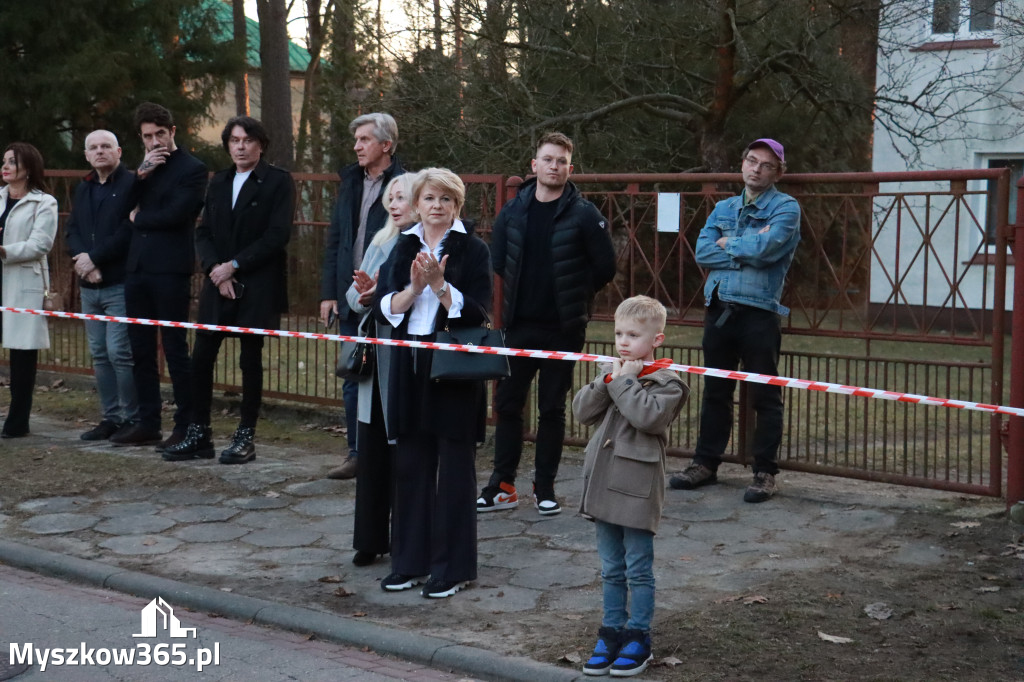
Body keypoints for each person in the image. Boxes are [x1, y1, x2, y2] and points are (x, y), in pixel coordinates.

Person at [478, 132, 616, 516]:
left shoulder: (584, 214)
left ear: (570, 169)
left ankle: (545, 486)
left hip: (563, 329)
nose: (554, 166)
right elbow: (500, 259)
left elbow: (606, 265)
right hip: (519, 326)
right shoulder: (513, 211)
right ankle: (502, 485)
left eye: (561, 161)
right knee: (507, 405)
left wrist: (576, 294)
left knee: (552, 409)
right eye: (547, 159)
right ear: (534, 165)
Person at [373, 168, 491, 599]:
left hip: (454, 366)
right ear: (417, 203)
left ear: (457, 206)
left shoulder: (473, 249)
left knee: (455, 469)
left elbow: (480, 312)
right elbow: (386, 308)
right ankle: (410, 562)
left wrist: (441, 287)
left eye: (445, 199)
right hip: (411, 360)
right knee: (410, 464)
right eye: (429, 198)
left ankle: (453, 568)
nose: (436, 206)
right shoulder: (402, 245)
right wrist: (414, 287)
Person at [668, 138, 801, 503]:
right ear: (742, 164)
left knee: (765, 394)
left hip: (759, 311)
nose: (756, 169)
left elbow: (767, 250)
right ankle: (705, 464)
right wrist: (742, 244)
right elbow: (703, 250)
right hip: (719, 308)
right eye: (751, 160)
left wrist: (729, 243)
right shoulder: (724, 207)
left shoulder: (786, 208)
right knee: (715, 391)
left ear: (777, 172)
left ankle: (764, 472)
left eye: (766, 165)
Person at [163, 116, 294, 465]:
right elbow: (203, 232)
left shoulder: (277, 181)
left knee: (250, 359)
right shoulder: (218, 181)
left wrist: (234, 266)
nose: (240, 146)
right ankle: (198, 432)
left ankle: (245, 436)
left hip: (257, 283)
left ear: (260, 144)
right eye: (234, 140)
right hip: (217, 283)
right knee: (201, 357)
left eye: (247, 140)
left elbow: (277, 235)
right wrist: (216, 272)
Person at [572, 295, 688, 677]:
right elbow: (582, 413)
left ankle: (638, 636)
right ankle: (610, 633)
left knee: (637, 568)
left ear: (656, 339)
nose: (623, 342)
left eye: (634, 335)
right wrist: (607, 381)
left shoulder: (668, 382)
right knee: (610, 568)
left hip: (637, 487)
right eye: (619, 333)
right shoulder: (615, 373)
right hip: (603, 484)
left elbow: (648, 417)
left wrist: (623, 381)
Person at [110, 102, 207, 449]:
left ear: (173, 133)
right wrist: (139, 177)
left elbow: (177, 215)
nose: (155, 142)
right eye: (148, 137)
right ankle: (147, 421)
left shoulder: (193, 168)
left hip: (170, 269)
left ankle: (185, 424)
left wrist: (140, 219)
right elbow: (118, 210)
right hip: (137, 269)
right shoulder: (140, 171)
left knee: (175, 348)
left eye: (160, 135)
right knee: (140, 349)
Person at [320, 113, 405, 480]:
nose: (356, 146)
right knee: (353, 374)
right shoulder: (349, 181)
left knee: (388, 378)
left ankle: (389, 450)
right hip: (350, 296)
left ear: (386, 145)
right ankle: (356, 453)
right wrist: (330, 293)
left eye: (365, 139)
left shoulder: (405, 184)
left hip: (388, 301)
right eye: (356, 139)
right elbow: (336, 239)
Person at [345, 171, 418, 566]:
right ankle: (369, 539)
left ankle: (406, 536)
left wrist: (387, 295)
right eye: (390, 197)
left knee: (403, 451)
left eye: (401, 197)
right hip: (376, 363)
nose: (393, 204)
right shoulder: (380, 239)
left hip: (408, 362)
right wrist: (364, 293)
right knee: (371, 450)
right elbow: (353, 300)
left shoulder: (422, 244)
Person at [65, 130, 139, 441]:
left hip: (118, 282)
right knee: (98, 353)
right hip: (89, 286)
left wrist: (93, 260)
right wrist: (83, 261)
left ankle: (132, 418)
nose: (100, 152)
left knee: (119, 352)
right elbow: (72, 230)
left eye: (106, 146)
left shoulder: (132, 185)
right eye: (93, 148)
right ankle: (110, 417)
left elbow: (127, 232)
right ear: (86, 155)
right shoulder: (84, 188)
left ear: (119, 151)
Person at [0, 143, 58, 438]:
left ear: (28, 167)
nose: (5, 166)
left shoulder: (44, 202)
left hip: (24, 284)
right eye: (4, 161)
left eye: (13, 161)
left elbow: (41, 245)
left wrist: (3, 251)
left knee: (22, 355)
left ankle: (18, 420)